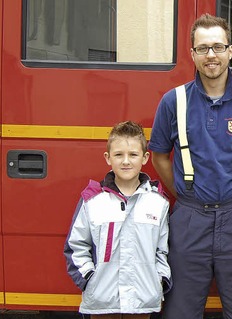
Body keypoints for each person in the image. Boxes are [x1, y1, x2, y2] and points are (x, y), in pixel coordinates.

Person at [148, 14, 232, 319]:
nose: (211, 55)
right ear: (192, 54)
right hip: (189, 218)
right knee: (180, 312)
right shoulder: (173, 101)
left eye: (218, 47)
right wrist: (185, 193)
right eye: (203, 48)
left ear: (231, 51)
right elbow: (159, 157)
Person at [64, 121, 171, 319]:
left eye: (133, 154)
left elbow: (163, 250)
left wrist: (159, 281)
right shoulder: (93, 201)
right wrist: (89, 280)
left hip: (143, 301)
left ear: (145, 157)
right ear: (108, 158)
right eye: (118, 154)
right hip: (101, 302)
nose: (126, 161)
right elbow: (76, 246)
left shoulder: (158, 202)